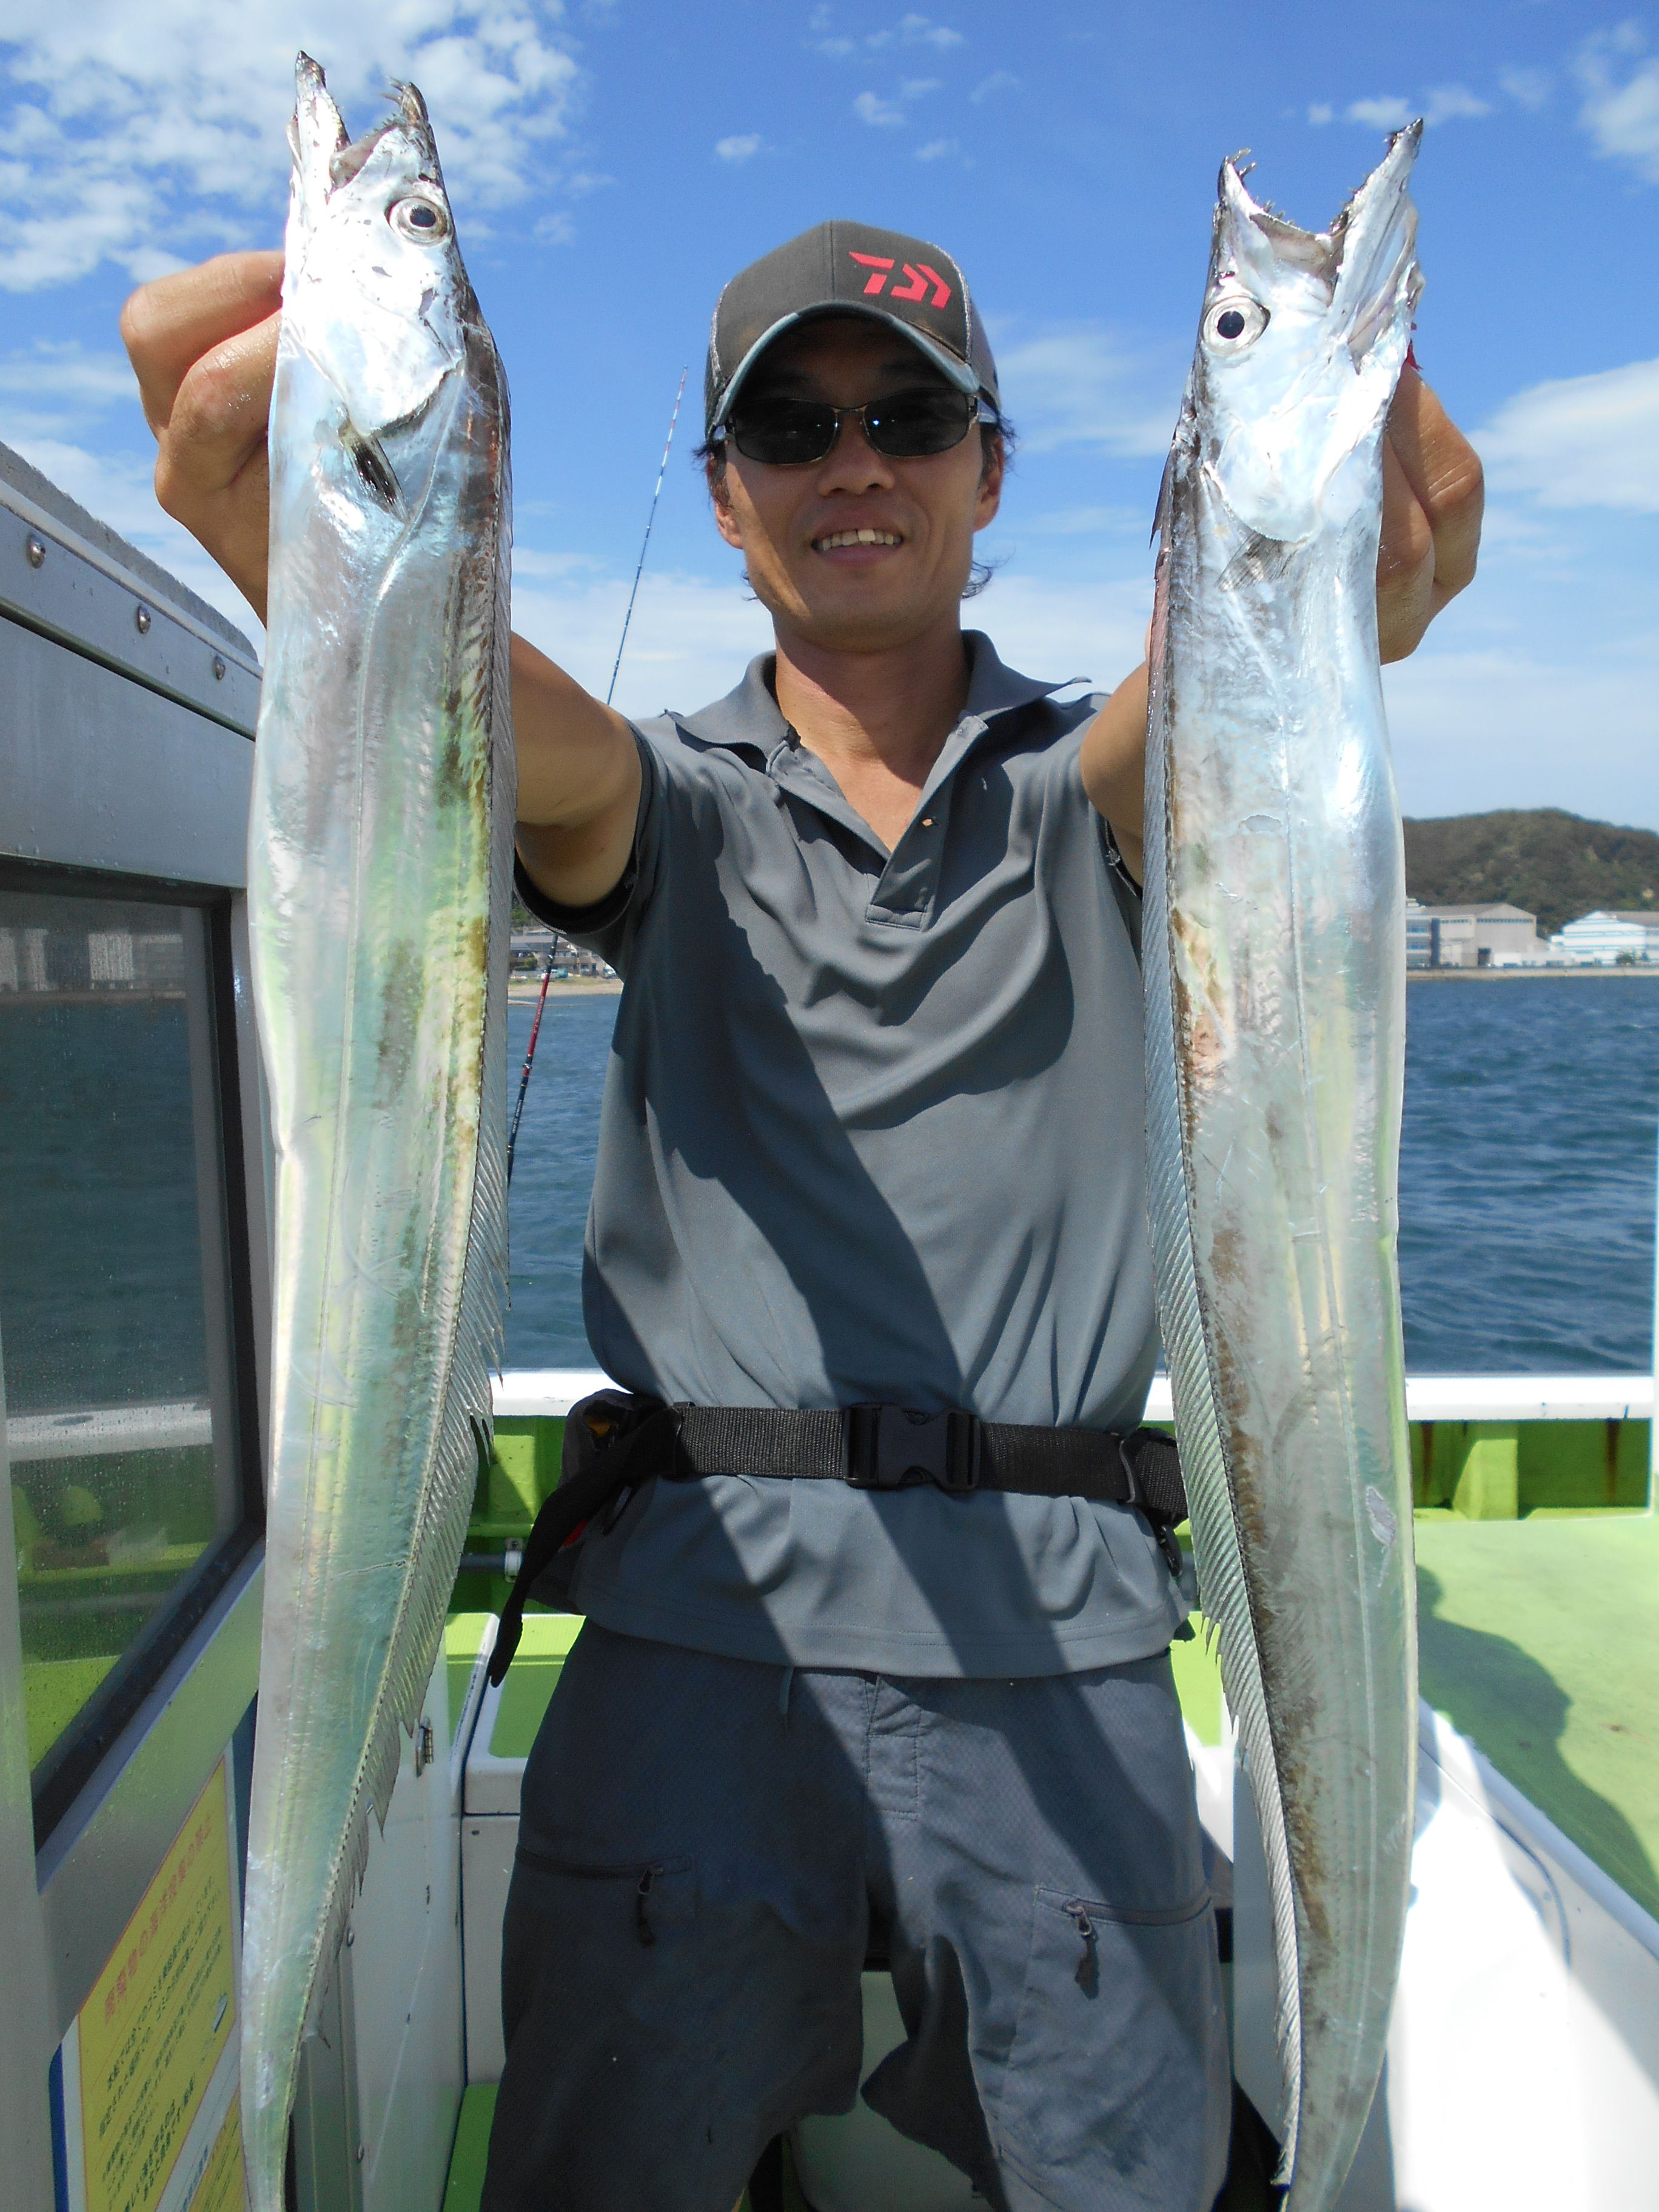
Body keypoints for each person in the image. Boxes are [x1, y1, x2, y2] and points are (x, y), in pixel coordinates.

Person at [123, 215, 1482, 2212]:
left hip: (1064, 1645)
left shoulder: (1096, 788)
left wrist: (1337, 553)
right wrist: (312, 541)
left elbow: (1247, 673)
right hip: (696, 1633)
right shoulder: (662, 798)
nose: (856, 462)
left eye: (909, 417)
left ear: (990, 470)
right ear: (724, 495)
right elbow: (466, 699)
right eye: (792, 424)